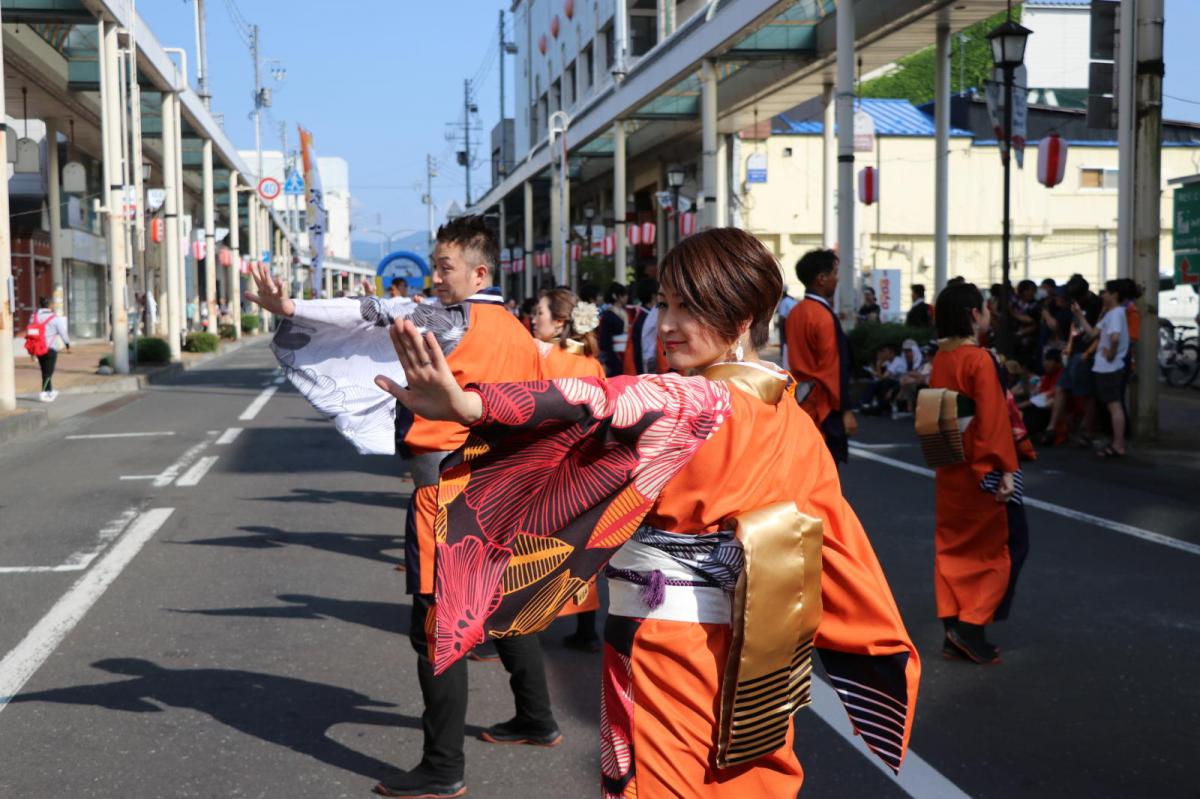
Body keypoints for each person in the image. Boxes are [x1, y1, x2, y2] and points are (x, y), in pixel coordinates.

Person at [377, 227, 919, 797]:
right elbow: (834, 543)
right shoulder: (788, 415)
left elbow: (603, 403)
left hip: (666, 652)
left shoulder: (696, 403)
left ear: (740, 317)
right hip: (758, 660)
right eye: (664, 303)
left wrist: (470, 404)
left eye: (691, 307)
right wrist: (868, 653)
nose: (667, 324)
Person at [247, 215, 560, 799]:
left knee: (438, 631)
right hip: (506, 491)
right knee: (503, 607)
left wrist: (290, 309)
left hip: (446, 494)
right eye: (435, 265)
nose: (434, 278)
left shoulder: (446, 320)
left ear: (479, 272)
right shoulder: (520, 334)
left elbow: (369, 314)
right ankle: (537, 719)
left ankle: (443, 767)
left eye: (445, 267)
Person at [928, 281, 1030, 664]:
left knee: (954, 549)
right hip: (983, 468)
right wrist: (1002, 469)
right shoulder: (979, 359)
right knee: (1002, 547)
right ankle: (971, 627)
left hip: (951, 464)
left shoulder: (942, 358)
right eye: (985, 308)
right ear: (975, 314)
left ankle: (954, 628)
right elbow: (991, 421)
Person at [530, 288, 606, 651]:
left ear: (560, 321)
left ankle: (526, 625)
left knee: (532, 546)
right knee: (579, 545)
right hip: (584, 462)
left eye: (539, 313)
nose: (534, 318)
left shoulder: (542, 356)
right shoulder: (591, 360)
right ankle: (586, 627)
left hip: (543, 460)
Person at [785, 248, 856, 463]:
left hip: (801, 400)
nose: (837, 279)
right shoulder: (822, 317)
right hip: (823, 406)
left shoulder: (795, 312)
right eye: (834, 273)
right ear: (822, 279)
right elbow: (832, 367)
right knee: (826, 472)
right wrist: (845, 410)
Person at [1078, 281, 1130, 458]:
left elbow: (1115, 338)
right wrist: (1079, 315)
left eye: (1106, 292)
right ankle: (1117, 443)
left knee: (1114, 406)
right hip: (1106, 367)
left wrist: (1111, 354)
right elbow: (1092, 333)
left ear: (1115, 295)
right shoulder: (1111, 313)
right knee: (1112, 406)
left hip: (1110, 367)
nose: (1103, 295)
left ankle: (1118, 445)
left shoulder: (1115, 313)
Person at [25, 297, 70, 402]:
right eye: (53, 304)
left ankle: (49, 391)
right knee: (48, 372)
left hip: (38, 347)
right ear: (50, 305)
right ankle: (44, 393)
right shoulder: (54, 318)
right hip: (51, 348)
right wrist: (67, 345)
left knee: (44, 370)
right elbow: (63, 332)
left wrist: (32, 352)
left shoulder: (33, 317)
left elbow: (30, 333)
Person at [622, 277, 663, 375]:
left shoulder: (640, 316)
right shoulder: (652, 316)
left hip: (643, 365)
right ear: (654, 295)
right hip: (649, 367)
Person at [597, 282, 629, 377]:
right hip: (613, 356)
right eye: (624, 295)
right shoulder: (608, 315)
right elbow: (604, 339)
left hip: (623, 353)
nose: (626, 298)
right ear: (617, 296)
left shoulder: (621, 312)